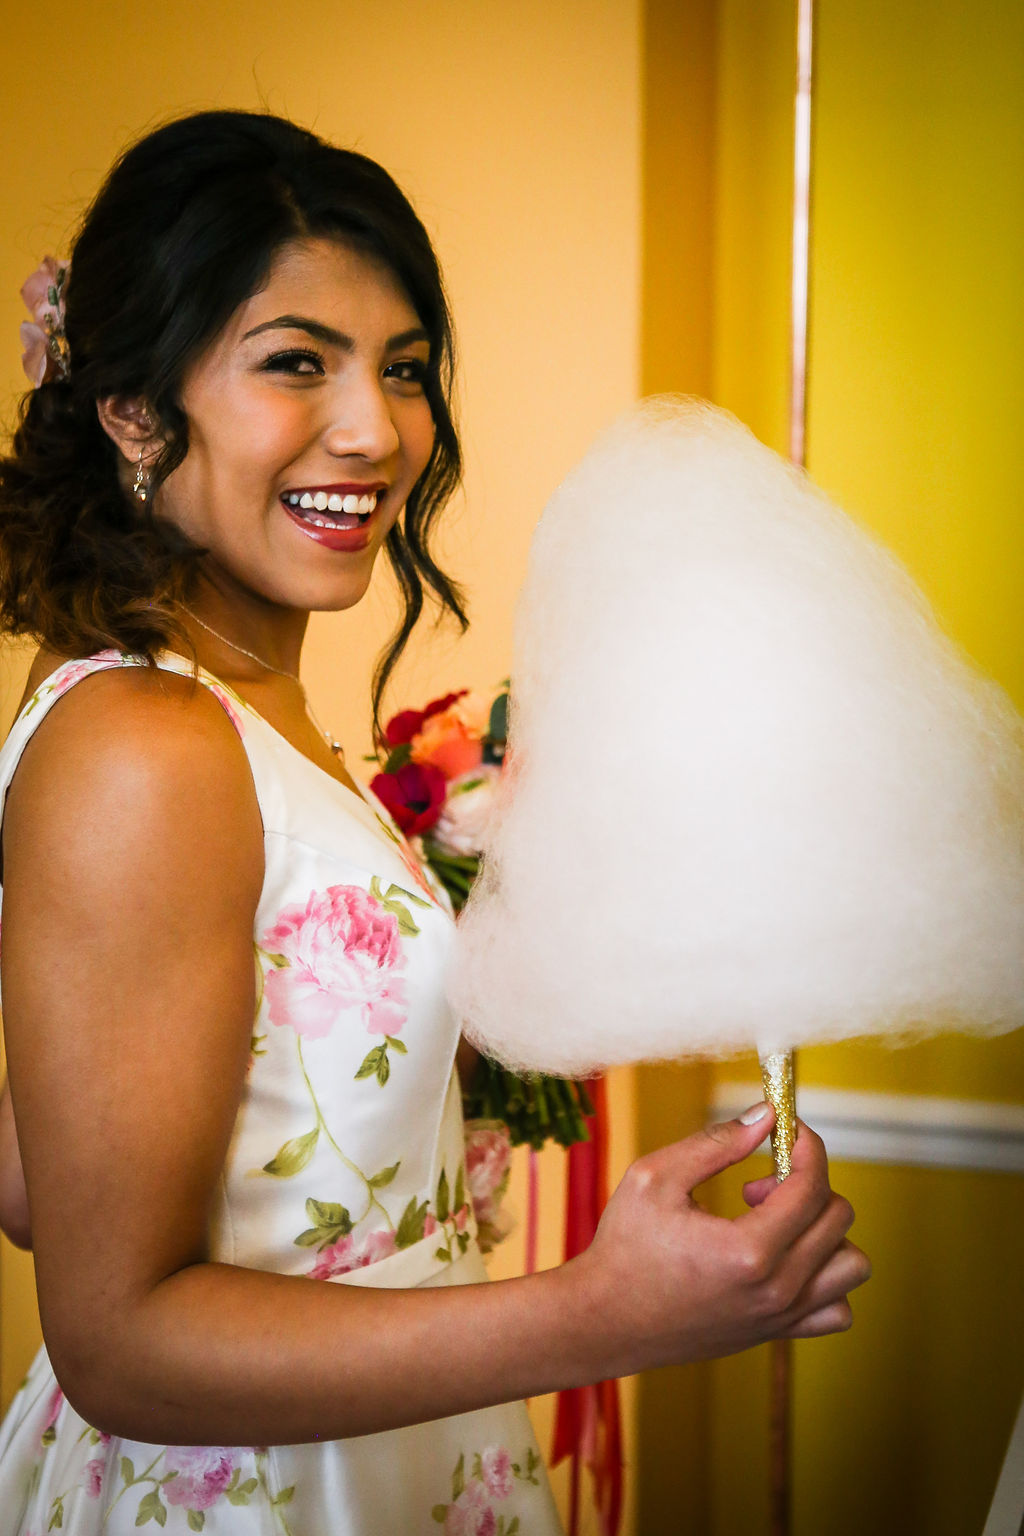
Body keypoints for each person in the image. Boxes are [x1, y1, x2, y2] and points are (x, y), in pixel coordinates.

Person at [0, 110, 869, 1533]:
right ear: (135, 409)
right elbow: (116, 1343)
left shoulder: (215, 714)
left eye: (403, 370)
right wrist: (601, 1312)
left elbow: (45, 1180)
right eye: (296, 363)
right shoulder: (147, 742)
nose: (378, 430)